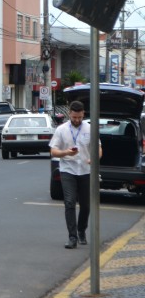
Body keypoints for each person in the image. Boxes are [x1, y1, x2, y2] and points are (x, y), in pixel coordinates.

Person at [49, 100, 102, 249]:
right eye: (74, 117)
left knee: (85, 205)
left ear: (83, 114)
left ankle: (81, 230)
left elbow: (98, 148)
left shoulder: (90, 129)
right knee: (70, 202)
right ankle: (72, 237)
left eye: (79, 117)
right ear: (69, 114)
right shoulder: (61, 129)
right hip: (68, 170)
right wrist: (66, 152)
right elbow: (53, 150)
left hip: (85, 170)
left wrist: (95, 159)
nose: (76, 120)